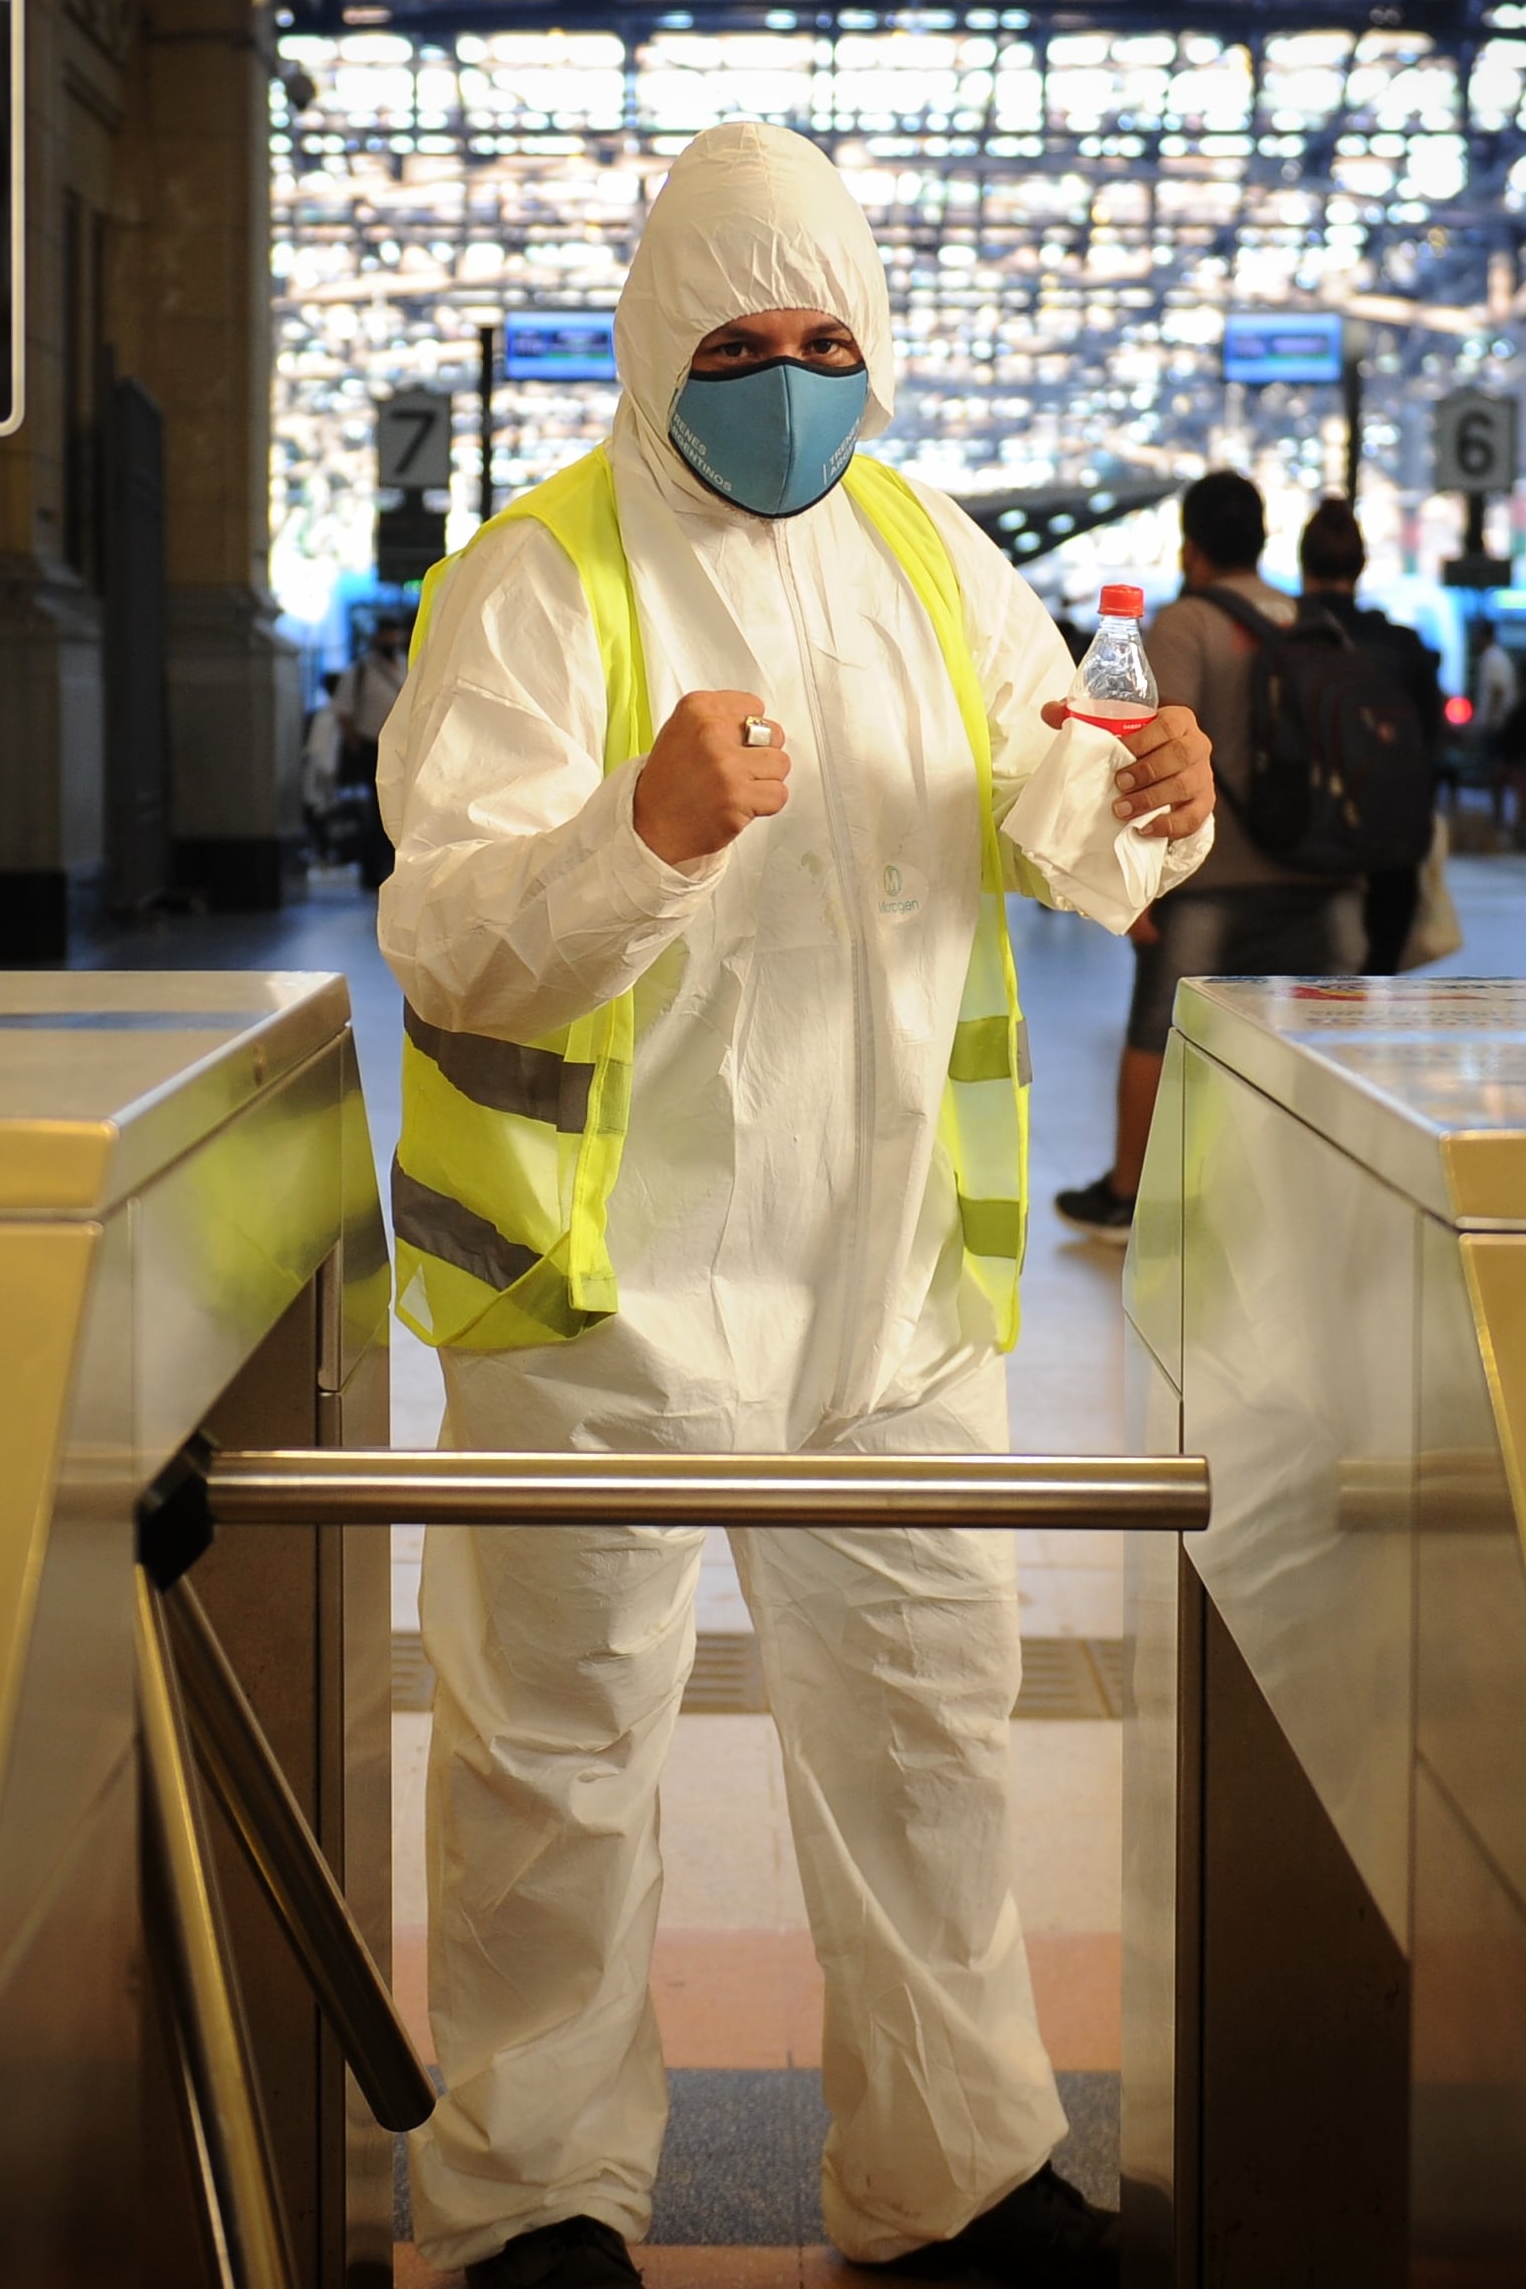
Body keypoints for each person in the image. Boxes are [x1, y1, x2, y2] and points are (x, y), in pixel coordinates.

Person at [376, 121, 1218, 2289]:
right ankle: (525, 2203)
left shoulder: (931, 555)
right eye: (737, 338)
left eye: (823, 335)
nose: (784, 376)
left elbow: (1056, 806)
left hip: (884, 1300)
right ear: (659, 339)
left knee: (930, 1728)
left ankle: (950, 2163)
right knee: (556, 1773)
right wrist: (636, 834)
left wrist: (1148, 800)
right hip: (606, 1303)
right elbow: (454, 936)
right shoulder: (543, 577)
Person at [1054, 471, 1358, 1241]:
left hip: (1212, 880)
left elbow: (1150, 748)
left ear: (1190, 546)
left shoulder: (1186, 622)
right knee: (1312, 1047)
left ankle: (1128, 1192)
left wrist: (1138, 890)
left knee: (1157, 1032)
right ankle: (1317, 1198)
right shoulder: (1303, 618)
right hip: (1319, 873)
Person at [1293, 493, 1445, 971]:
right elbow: (1431, 745)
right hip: (1391, 839)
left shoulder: (1286, 638)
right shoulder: (1404, 645)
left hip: (1300, 840)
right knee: (1378, 982)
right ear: (1360, 567)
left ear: (1303, 565)